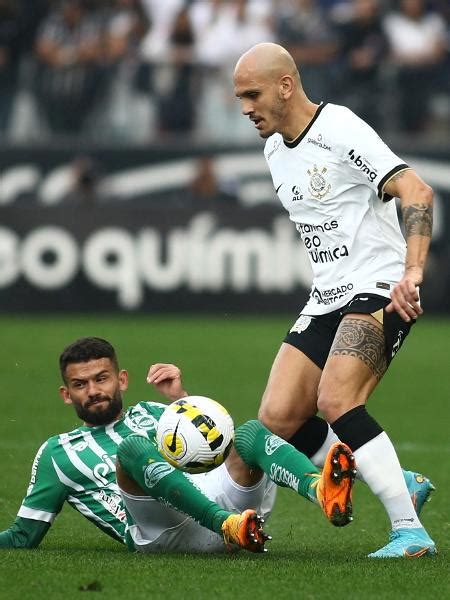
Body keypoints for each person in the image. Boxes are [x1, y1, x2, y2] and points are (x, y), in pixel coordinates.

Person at [233, 42, 436, 558]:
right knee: (277, 419)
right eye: (239, 98)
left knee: (337, 400)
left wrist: (412, 272)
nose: (245, 108)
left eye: (252, 94)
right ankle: (398, 479)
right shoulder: (275, 149)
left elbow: (417, 191)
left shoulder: (338, 128)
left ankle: (410, 532)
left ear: (285, 85)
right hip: (327, 293)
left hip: (380, 284)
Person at [0, 336, 356, 552]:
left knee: (247, 432)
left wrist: (182, 400)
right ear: (66, 394)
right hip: (159, 533)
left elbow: (211, 449)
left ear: (121, 380)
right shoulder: (57, 453)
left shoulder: (156, 412)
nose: (93, 391)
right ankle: (225, 525)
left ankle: (319, 489)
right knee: (132, 450)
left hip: (229, 506)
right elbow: (23, 535)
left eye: (102, 379)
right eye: (80, 385)